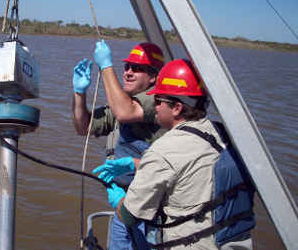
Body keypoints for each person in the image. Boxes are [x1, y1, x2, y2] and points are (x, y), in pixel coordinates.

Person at [95, 59, 256, 250]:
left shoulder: (163, 150)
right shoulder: (222, 132)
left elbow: (130, 216)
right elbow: (187, 170)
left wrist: (118, 199)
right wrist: (136, 163)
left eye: (157, 101)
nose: (154, 107)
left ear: (177, 108)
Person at [72, 41, 167, 250]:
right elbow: (83, 127)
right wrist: (79, 94)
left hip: (151, 211)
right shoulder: (123, 102)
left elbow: (125, 113)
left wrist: (106, 66)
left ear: (153, 77)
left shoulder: (157, 101)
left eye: (137, 68)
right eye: (127, 67)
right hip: (123, 205)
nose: (128, 73)